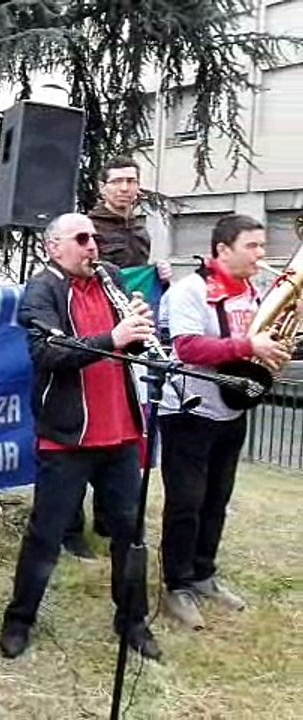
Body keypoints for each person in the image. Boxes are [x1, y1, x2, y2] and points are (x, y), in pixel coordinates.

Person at [0, 212, 162, 662]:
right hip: (68, 437)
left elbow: (133, 343)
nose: (94, 246)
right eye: (82, 239)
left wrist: (140, 330)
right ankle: (19, 620)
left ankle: (132, 620)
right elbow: (46, 351)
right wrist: (114, 336)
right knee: (46, 534)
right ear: (54, 247)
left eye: (95, 239)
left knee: (130, 534)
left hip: (121, 432)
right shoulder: (42, 289)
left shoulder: (110, 277)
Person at [158, 214, 288, 630]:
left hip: (231, 409)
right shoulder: (189, 290)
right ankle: (176, 584)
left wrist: (272, 353)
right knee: (186, 503)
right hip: (189, 410)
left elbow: (247, 348)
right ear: (222, 250)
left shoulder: (251, 292)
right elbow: (188, 346)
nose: (261, 254)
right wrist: (250, 343)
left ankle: (203, 573)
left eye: (262, 246)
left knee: (217, 499)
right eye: (252, 246)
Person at [62, 156, 175, 559]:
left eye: (133, 181)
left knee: (122, 430)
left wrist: (157, 274)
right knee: (76, 431)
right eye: (119, 181)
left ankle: (111, 519)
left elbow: (132, 276)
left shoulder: (139, 227)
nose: (127, 188)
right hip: (92, 328)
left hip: (125, 337)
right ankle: (69, 527)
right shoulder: (88, 226)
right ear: (102, 187)